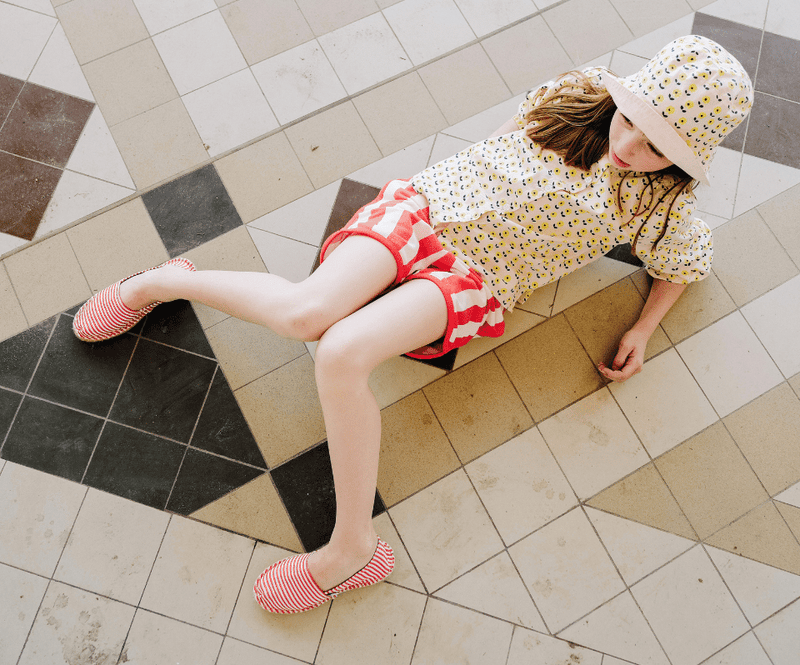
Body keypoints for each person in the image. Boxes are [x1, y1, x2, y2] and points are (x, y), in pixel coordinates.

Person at [73, 35, 753, 614]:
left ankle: (352, 551)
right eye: (632, 117)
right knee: (306, 312)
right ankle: (167, 281)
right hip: (428, 207)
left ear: (686, 157)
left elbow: (693, 261)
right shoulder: (575, 96)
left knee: (338, 354)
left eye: (658, 143)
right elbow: (499, 145)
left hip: (477, 273)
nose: (629, 142)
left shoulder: (656, 207)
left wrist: (644, 328)